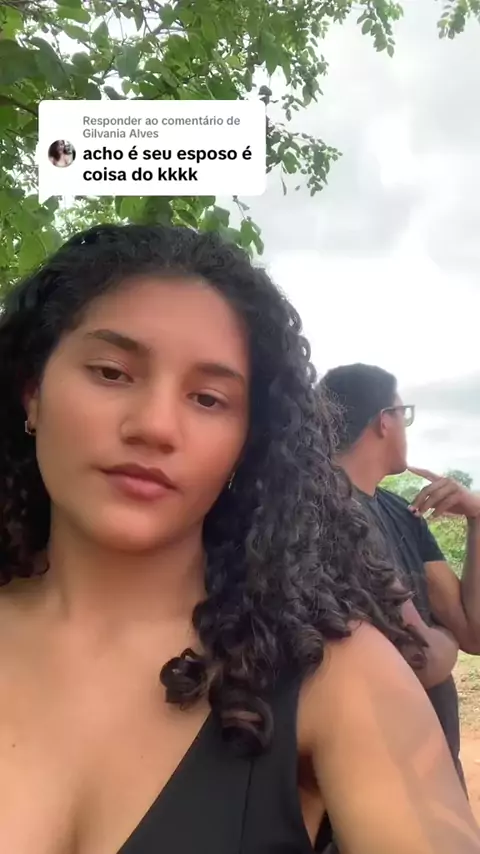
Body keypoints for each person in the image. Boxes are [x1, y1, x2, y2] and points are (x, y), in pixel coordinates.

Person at [0, 226, 478, 854]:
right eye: (112, 372)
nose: (155, 426)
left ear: (247, 443)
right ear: (33, 392)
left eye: (208, 399)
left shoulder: (337, 674)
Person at [321, 362, 480, 792]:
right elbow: (422, 658)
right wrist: (441, 639)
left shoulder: (402, 512)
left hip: (434, 767)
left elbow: (473, 631)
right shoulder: (325, 512)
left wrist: (477, 518)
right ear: (384, 421)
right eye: (403, 413)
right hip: (376, 780)